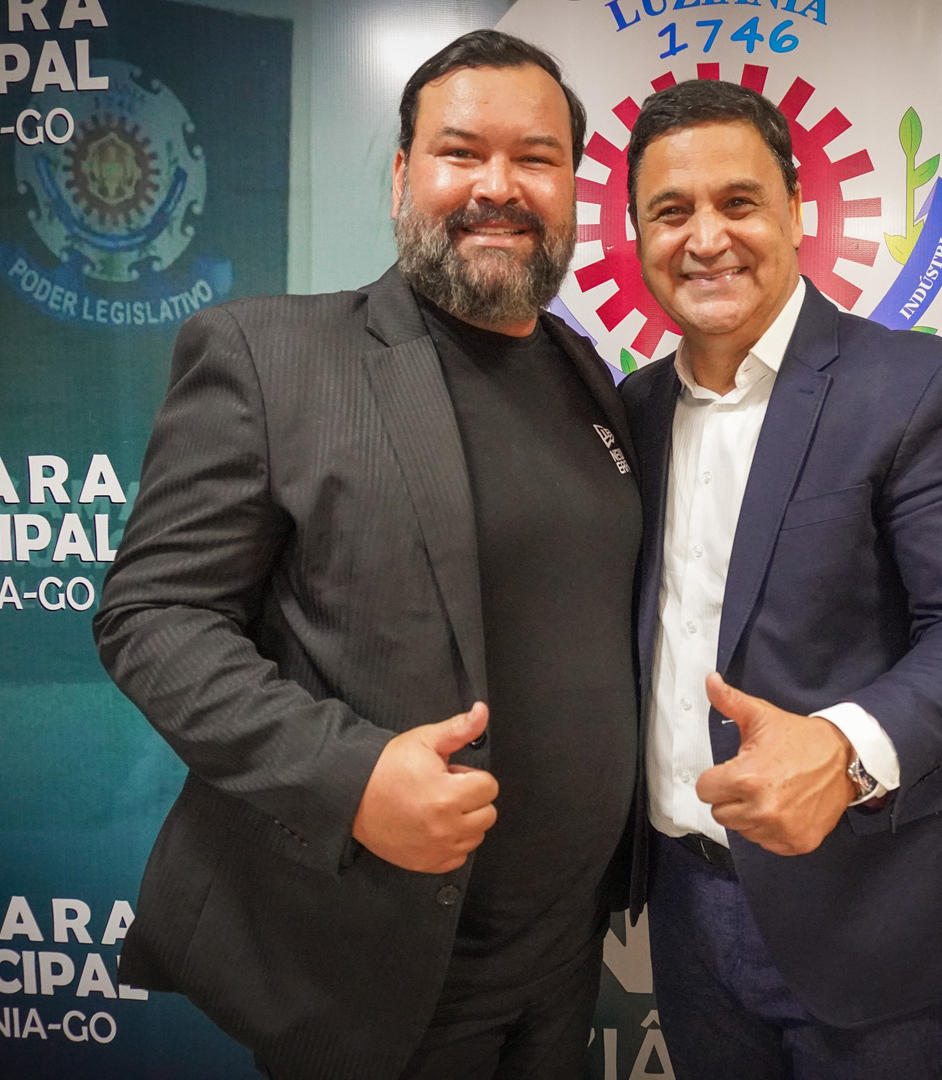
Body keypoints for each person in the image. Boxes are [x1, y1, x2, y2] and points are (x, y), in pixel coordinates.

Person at [93, 30, 640, 1080]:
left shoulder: (586, 373)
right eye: (460, 152)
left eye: (535, 157)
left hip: (566, 960)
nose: (498, 186)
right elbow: (152, 619)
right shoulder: (270, 356)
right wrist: (352, 778)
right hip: (379, 972)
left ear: (573, 186)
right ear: (400, 175)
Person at [618, 78, 942, 1079]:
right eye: (671, 212)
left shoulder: (918, 384)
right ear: (637, 236)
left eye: (738, 202)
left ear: (798, 211)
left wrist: (843, 749)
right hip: (683, 901)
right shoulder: (628, 411)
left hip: (866, 899)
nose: (706, 238)